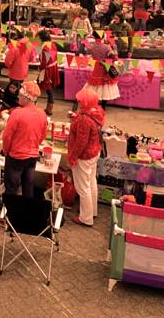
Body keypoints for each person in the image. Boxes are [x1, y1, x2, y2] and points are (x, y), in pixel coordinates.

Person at [1, 82, 47, 198]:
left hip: (16, 156)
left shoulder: (17, 113)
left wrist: (5, 150)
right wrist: (34, 145)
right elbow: (43, 135)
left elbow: (7, 136)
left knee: (11, 188)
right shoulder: (42, 113)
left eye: (20, 95)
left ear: (27, 98)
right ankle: (27, 208)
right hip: (32, 156)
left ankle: (11, 209)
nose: (18, 97)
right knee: (28, 187)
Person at [67, 89, 104, 227]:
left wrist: (72, 157)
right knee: (91, 182)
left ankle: (86, 218)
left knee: (83, 188)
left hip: (84, 155)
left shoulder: (84, 119)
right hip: (94, 152)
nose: (78, 102)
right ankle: (91, 211)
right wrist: (75, 117)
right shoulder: (96, 112)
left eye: (80, 101)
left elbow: (81, 142)